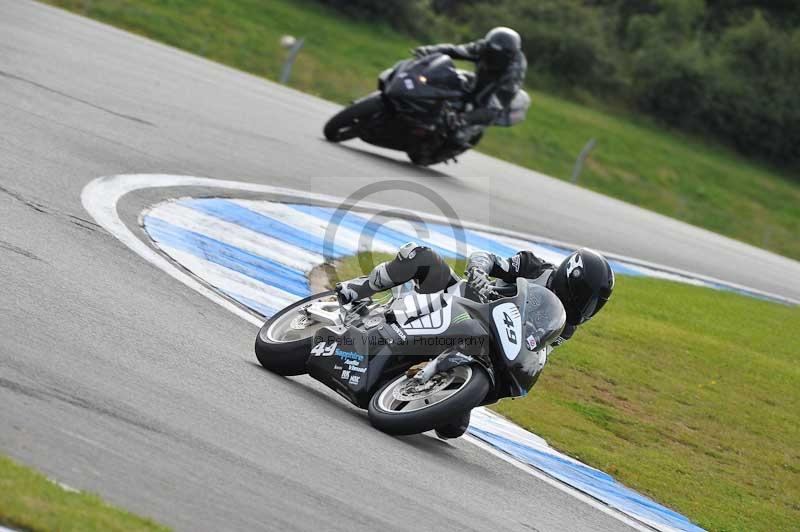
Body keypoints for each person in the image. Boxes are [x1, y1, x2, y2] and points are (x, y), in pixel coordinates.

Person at [335, 243, 615, 438]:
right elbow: (488, 258)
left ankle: (415, 375)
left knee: (452, 428)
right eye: (585, 298)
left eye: (594, 305)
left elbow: (536, 350)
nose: (585, 308)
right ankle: (357, 290)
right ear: (570, 277)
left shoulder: (566, 326)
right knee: (421, 257)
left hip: (491, 347)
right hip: (467, 303)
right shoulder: (536, 268)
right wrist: (480, 271)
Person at [413, 27, 528, 141]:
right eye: (490, 51)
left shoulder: (514, 73)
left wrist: (464, 119)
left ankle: (464, 124)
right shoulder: (483, 47)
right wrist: (429, 50)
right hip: (481, 75)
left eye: (496, 55)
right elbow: (456, 50)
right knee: (455, 79)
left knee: (488, 108)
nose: (491, 56)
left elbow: (498, 104)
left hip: (497, 86)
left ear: (507, 55)